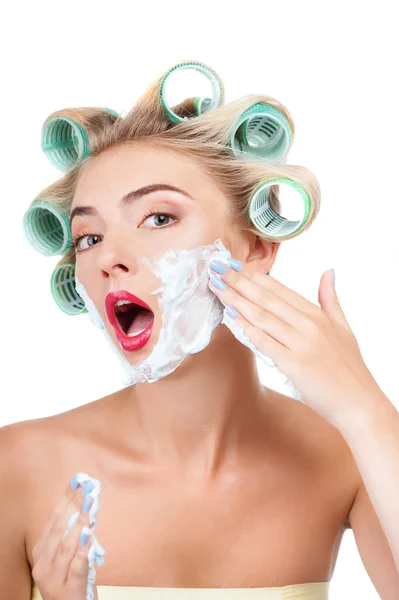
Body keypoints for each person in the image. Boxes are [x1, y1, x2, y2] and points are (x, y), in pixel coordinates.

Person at [0, 60, 374, 600]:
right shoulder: (19, 468)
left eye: (158, 218)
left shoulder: (345, 455)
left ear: (257, 248)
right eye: (88, 237)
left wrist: (362, 403)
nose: (109, 259)